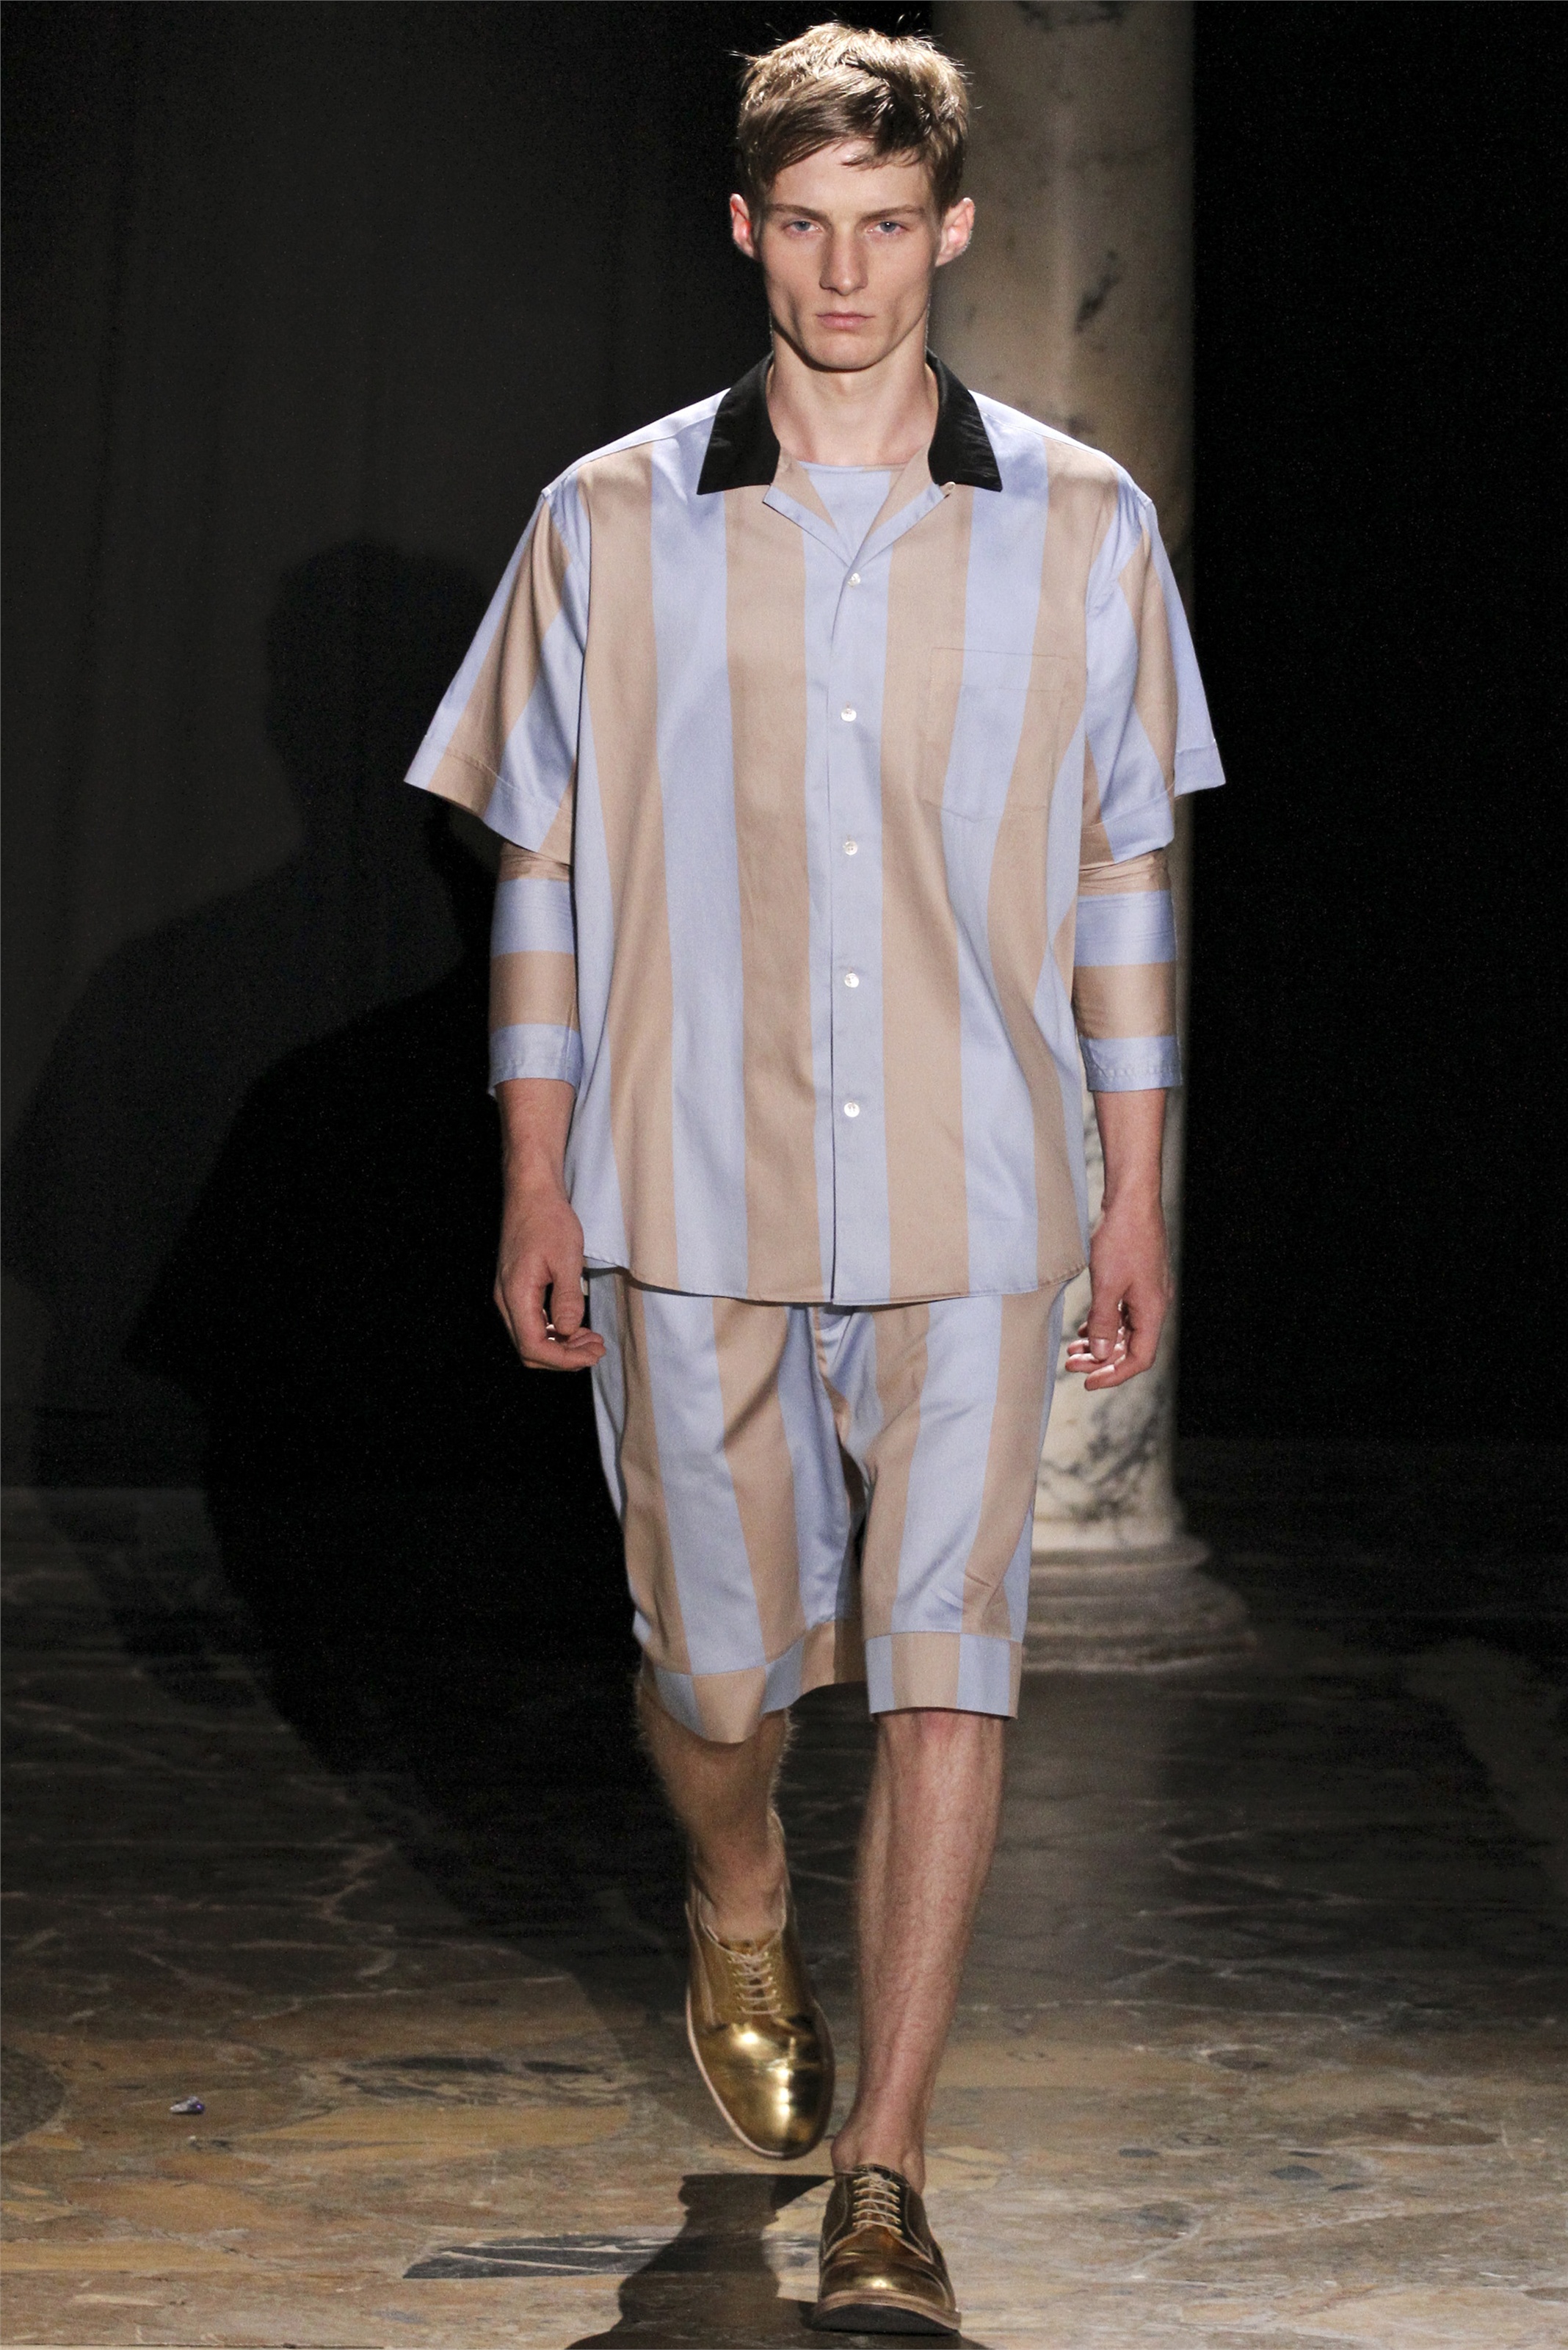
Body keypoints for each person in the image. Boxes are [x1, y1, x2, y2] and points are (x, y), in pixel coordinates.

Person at [406, 21, 1222, 2334]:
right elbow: (545, 865)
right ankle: (740, 1885)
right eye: (806, 226)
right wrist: (535, 1171)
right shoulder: (609, 518)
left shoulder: (1083, 522)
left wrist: (1136, 1188)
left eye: (888, 226)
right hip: (686, 1188)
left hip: (978, 1187)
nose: (847, 274)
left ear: (954, 227)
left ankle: (891, 2164)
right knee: (718, 1671)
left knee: (952, 1663)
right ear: (746, 229)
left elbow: (1123, 872)